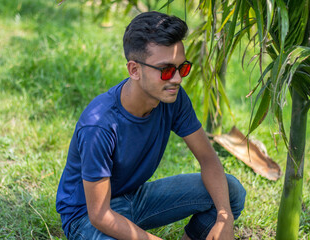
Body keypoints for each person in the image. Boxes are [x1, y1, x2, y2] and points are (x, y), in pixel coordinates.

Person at [56, 11, 246, 240]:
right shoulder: (99, 125)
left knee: (229, 191)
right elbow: (99, 214)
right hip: (86, 217)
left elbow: (208, 159)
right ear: (134, 70)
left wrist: (224, 216)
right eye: (166, 70)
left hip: (134, 198)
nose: (176, 79)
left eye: (182, 68)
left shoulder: (173, 98)